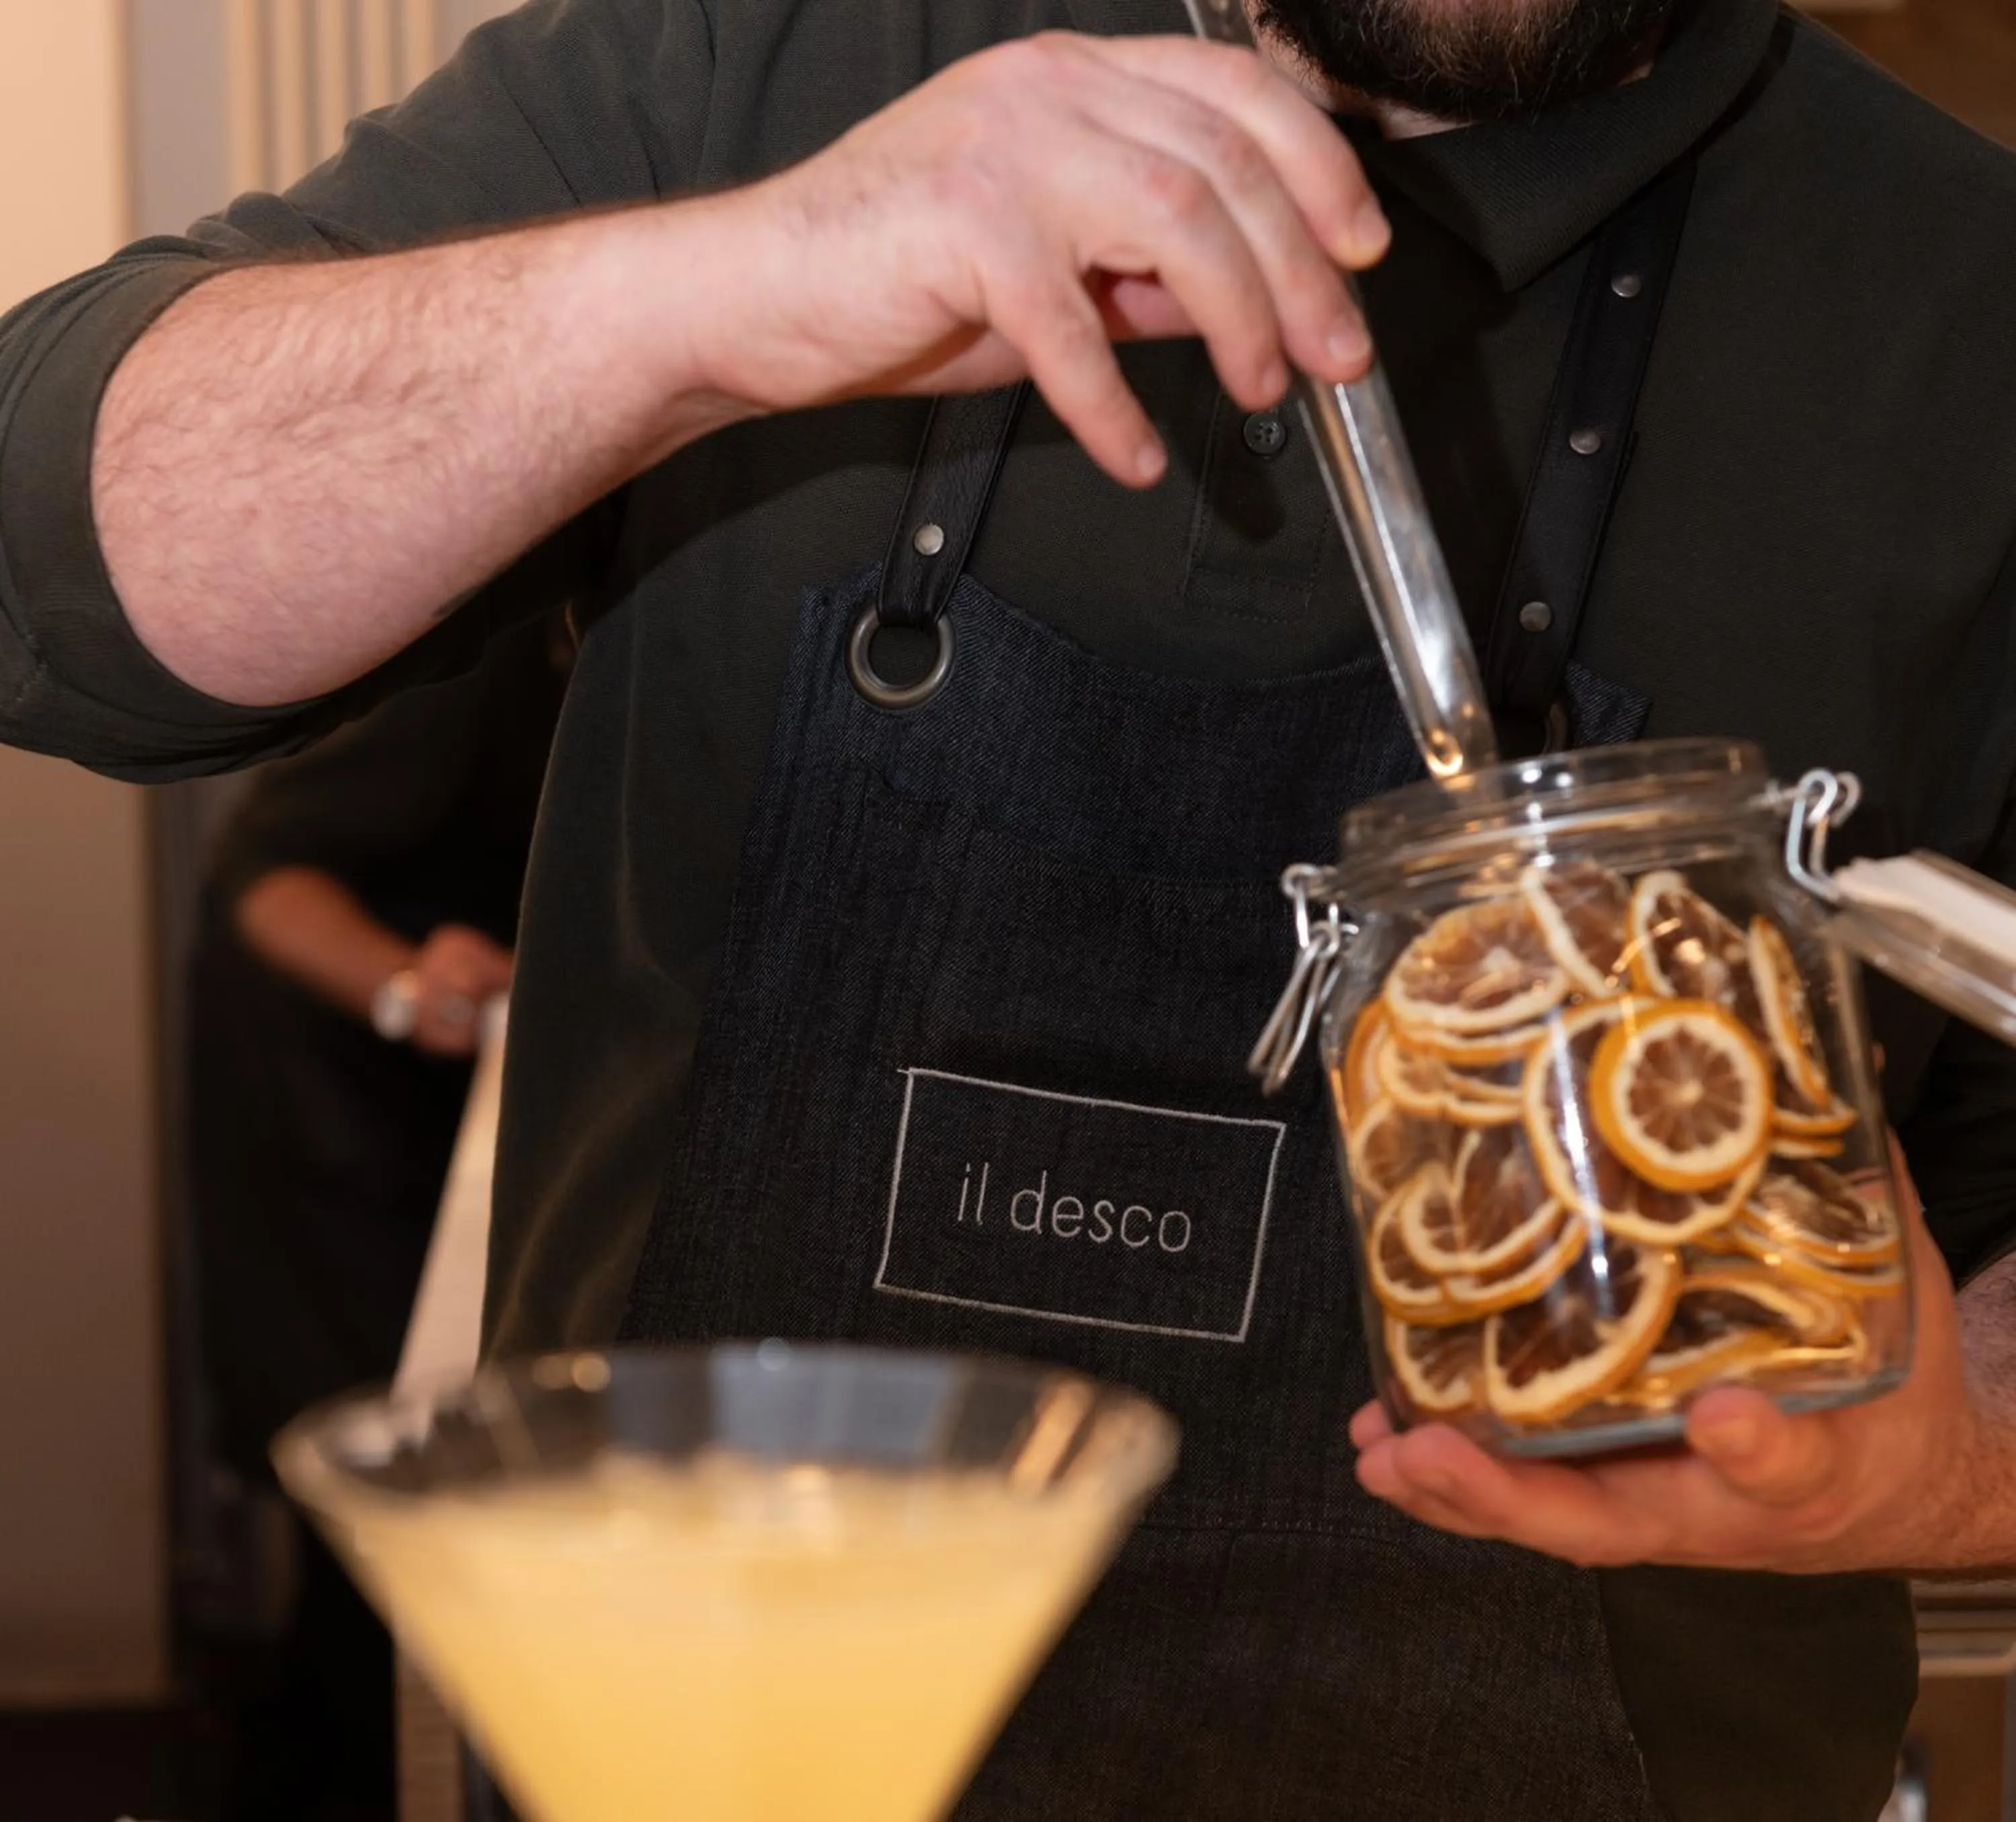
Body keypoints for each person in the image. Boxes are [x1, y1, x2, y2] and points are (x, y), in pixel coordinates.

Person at [1, 0, 2013, 1813]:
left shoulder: (1962, 305)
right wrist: (713, 294)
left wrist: (1938, 1474)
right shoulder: (761, 69)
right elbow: (58, 565)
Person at [185, 612, 569, 1819]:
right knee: (367, 1548)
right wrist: (410, 994)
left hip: (398, 1123)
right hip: (334, 1129)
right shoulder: (496, 645)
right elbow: (264, 874)